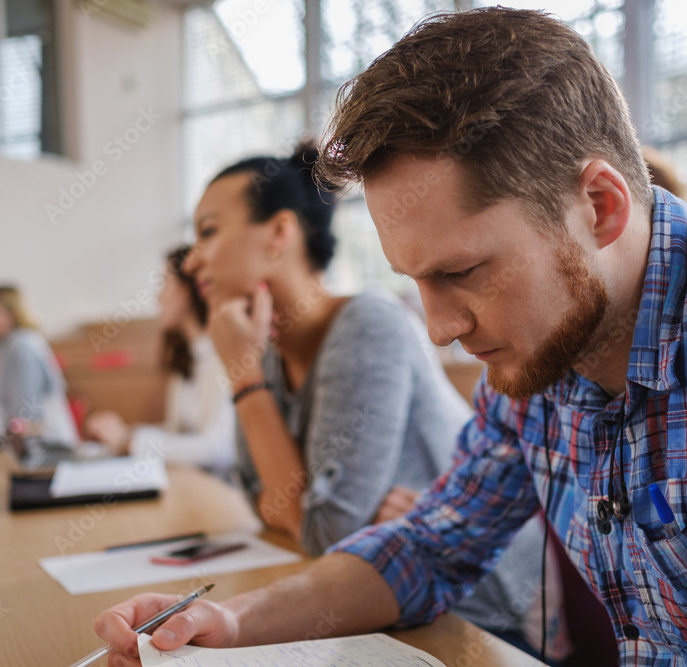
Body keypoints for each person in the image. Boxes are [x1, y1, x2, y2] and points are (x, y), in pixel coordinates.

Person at [95, 8, 687, 665]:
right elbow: (426, 546)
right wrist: (230, 622)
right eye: (416, 281)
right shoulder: (545, 353)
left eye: (462, 270)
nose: (437, 329)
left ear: (599, 206)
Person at [175, 143, 548, 650]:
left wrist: (243, 380)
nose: (193, 258)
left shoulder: (368, 325)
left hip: (480, 616)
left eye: (209, 232)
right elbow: (265, 503)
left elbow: (322, 531)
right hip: (376, 597)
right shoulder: (261, 347)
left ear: (280, 233)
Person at [84, 246, 236, 474]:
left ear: (186, 292)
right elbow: (176, 433)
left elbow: (218, 450)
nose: (159, 296)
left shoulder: (222, 356)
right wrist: (125, 433)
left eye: (164, 284)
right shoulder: (186, 356)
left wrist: (130, 439)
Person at [0, 285, 79, 446]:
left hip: (46, 447)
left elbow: (26, 413)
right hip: (32, 445)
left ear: (10, 314)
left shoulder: (22, 346)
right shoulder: (9, 346)